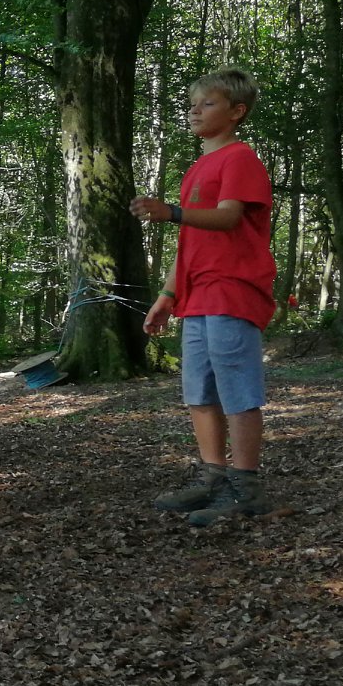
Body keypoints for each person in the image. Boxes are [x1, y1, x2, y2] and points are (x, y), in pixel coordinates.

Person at [129, 68, 275, 526]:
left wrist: (171, 212)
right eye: (193, 103)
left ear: (236, 112)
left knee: (237, 389)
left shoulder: (240, 159)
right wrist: (168, 294)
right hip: (195, 295)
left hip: (232, 289)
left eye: (207, 103)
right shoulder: (197, 167)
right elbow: (191, 241)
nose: (194, 110)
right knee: (198, 391)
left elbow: (228, 218)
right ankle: (214, 478)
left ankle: (246, 485)